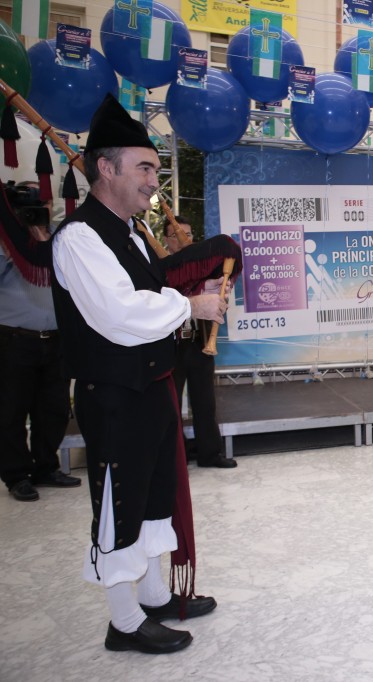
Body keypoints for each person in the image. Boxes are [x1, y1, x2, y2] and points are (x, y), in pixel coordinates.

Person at [50, 95, 228, 655]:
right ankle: (123, 622)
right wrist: (190, 307)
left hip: (149, 389)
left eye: (155, 168)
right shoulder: (80, 237)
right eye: (145, 167)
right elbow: (121, 315)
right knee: (119, 504)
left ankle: (152, 596)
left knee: (154, 495)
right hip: (114, 395)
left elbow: (148, 295)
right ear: (106, 167)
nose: (155, 180)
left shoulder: (128, 233)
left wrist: (183, 300)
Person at [1, 182, 80, 501]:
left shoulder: (59, 239)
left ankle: (46, 467)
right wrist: (13, 249)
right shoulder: (7, 241)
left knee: (55, 408)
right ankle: (16, 475)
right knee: (11, 411)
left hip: (56, 339)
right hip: (14, 339)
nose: (39, 209)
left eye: (44, 202)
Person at [164, 216, 236, 469]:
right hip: (171, 345)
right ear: (166, 240)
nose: (185, 240)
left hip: (199, 341)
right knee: (169, 404)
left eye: (189, 234)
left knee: (205, 400)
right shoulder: (161, 268)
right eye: (178, 235)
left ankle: (210, 453)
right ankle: (175, 455)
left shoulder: (204, 268)